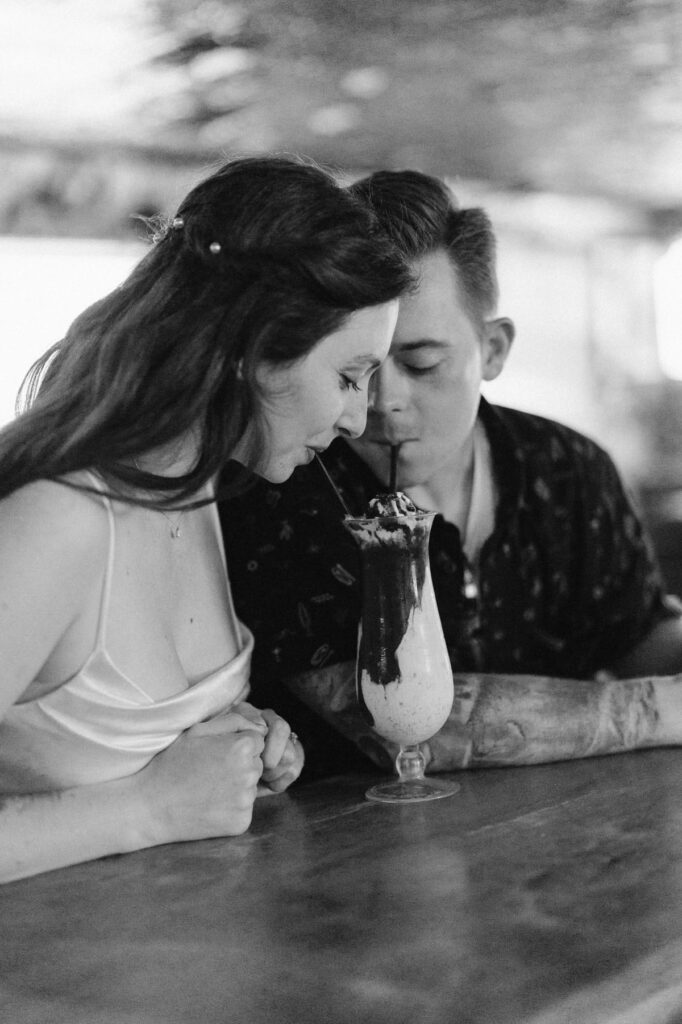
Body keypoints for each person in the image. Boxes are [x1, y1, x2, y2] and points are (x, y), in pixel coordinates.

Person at [0, 155, 409, 881]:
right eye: (349, 376)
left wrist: (232, 750)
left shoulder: (200, 496)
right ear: (253, 351)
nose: (358, 417)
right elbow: (140, 799)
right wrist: (148, 808)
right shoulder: (60, 521)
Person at [220, 168, 682, 779]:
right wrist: (663, 709)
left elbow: (636, 636)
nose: (380, 404)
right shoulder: (288, 481)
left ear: (492, 350)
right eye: (357, 368)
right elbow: (407, 732)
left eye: (421, 361)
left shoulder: (568, 469)